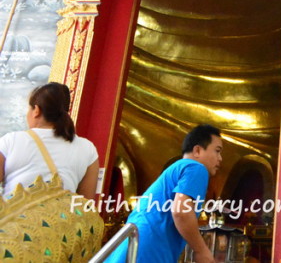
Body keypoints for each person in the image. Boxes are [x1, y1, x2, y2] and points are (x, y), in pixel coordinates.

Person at [108, 124, 223, 263]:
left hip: (134, 244)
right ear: (197, 150)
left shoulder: (178, 168)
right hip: (149, 248)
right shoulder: (196, 168)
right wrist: (201, 250)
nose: (220, 158)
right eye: (217, 151)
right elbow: (181, 212)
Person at [0, 82, 99, 199]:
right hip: (62, 216)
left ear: (36, 110)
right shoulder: (87, 149)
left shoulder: (11, 141)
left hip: (16, 215)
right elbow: (85, 202)